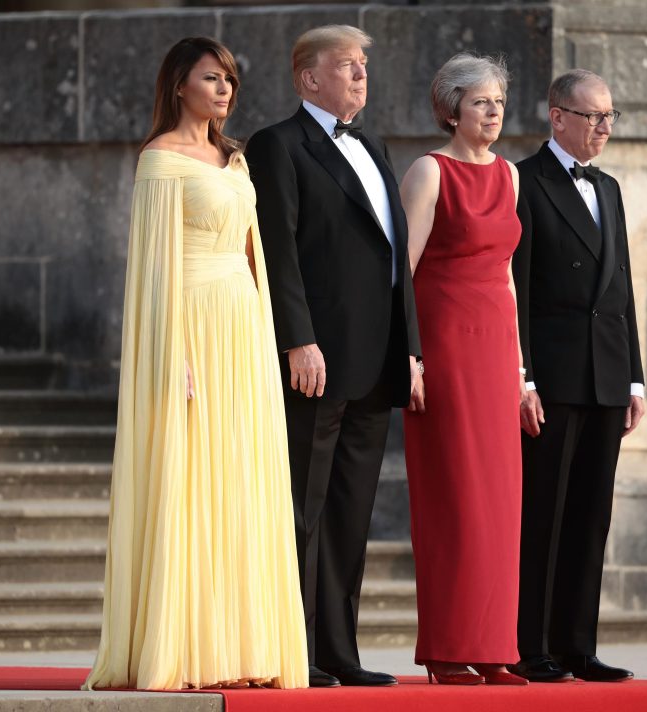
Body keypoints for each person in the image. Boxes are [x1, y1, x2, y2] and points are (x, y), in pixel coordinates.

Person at [83, 37, 307, 691]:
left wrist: (268, 338)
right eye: (212, 78)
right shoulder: (159, 160)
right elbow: (154, 272)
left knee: (241, 482)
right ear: (179, 83)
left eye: (231, 81)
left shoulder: (235, 160)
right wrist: (170, 352)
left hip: (241, 327)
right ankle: (183, 648)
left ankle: (242, 649)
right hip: (192, 327)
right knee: (192, 481)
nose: (224, 91)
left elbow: (251, 256)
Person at [244, 25, 422, 689]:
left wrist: (411, 350)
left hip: (376, 362)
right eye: (347, 66)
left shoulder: (373, 145)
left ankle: (341, 652)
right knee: (304, 507)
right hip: (314, 359)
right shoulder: (277, 146)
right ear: (308, 78)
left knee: (351, 512)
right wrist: (297, 337)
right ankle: (297, 652)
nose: (360, 76)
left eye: (364, 66)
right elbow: (277, 247)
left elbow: (395, 260)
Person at [511, 69, 646, 683]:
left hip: (607, 375)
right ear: (557, 116)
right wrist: (525, 378)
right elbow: (517, 288)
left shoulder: (610, 187)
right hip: (555, 376)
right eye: (593, 116)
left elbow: (621, 289)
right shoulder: (526, 181)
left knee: (592, 516)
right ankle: (530, 646)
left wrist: (635, 380)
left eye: (610, 117)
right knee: (544, 514)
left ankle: (577, 646)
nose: (604, 128)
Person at [399, 53, 525, 687]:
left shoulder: (510, 176)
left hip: (497, 351)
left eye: (499, 101)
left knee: (501, 504)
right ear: (451, 108)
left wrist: (523, 376)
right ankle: (448, 649)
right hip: (446, 349)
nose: (493, 112)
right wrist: (410, 357)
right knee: (455, 499)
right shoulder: (429, 171)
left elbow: (505, 275)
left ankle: (493, 646)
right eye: (480, 101)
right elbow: (404, 270)